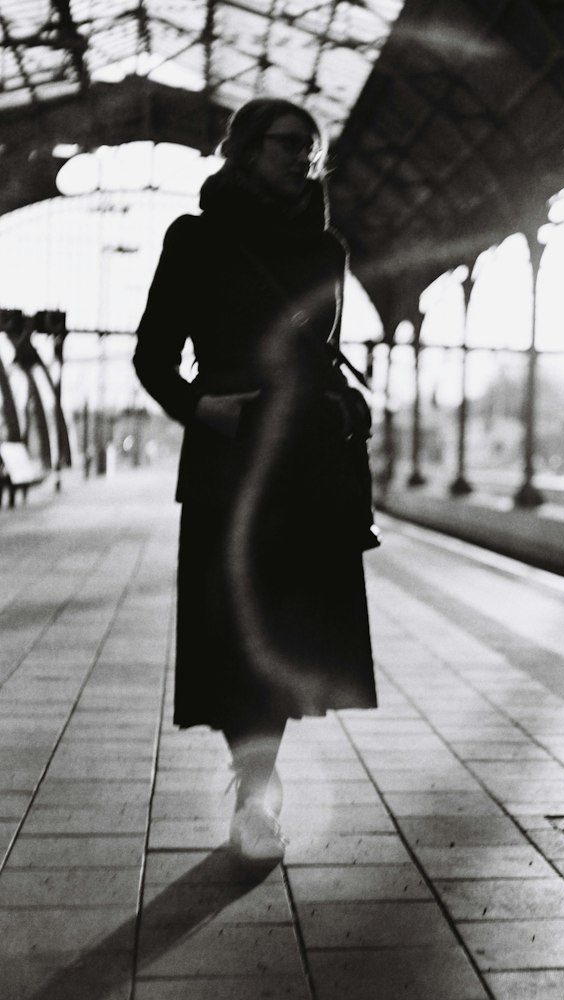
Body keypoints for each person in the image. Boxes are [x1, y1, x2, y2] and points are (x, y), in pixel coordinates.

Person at [134, 98, 378, 861]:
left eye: (311, 146)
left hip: (307, 461)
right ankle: (254, 792)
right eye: (286, 143)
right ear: (242, 150)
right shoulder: (197, 238)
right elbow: (152, 355)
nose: (302, 156)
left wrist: (342, 407)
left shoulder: (326, 245)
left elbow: (320, 351)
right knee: (236, 638)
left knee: (287, 635)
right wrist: (199, 408)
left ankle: (256, 794)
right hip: (230, 459)